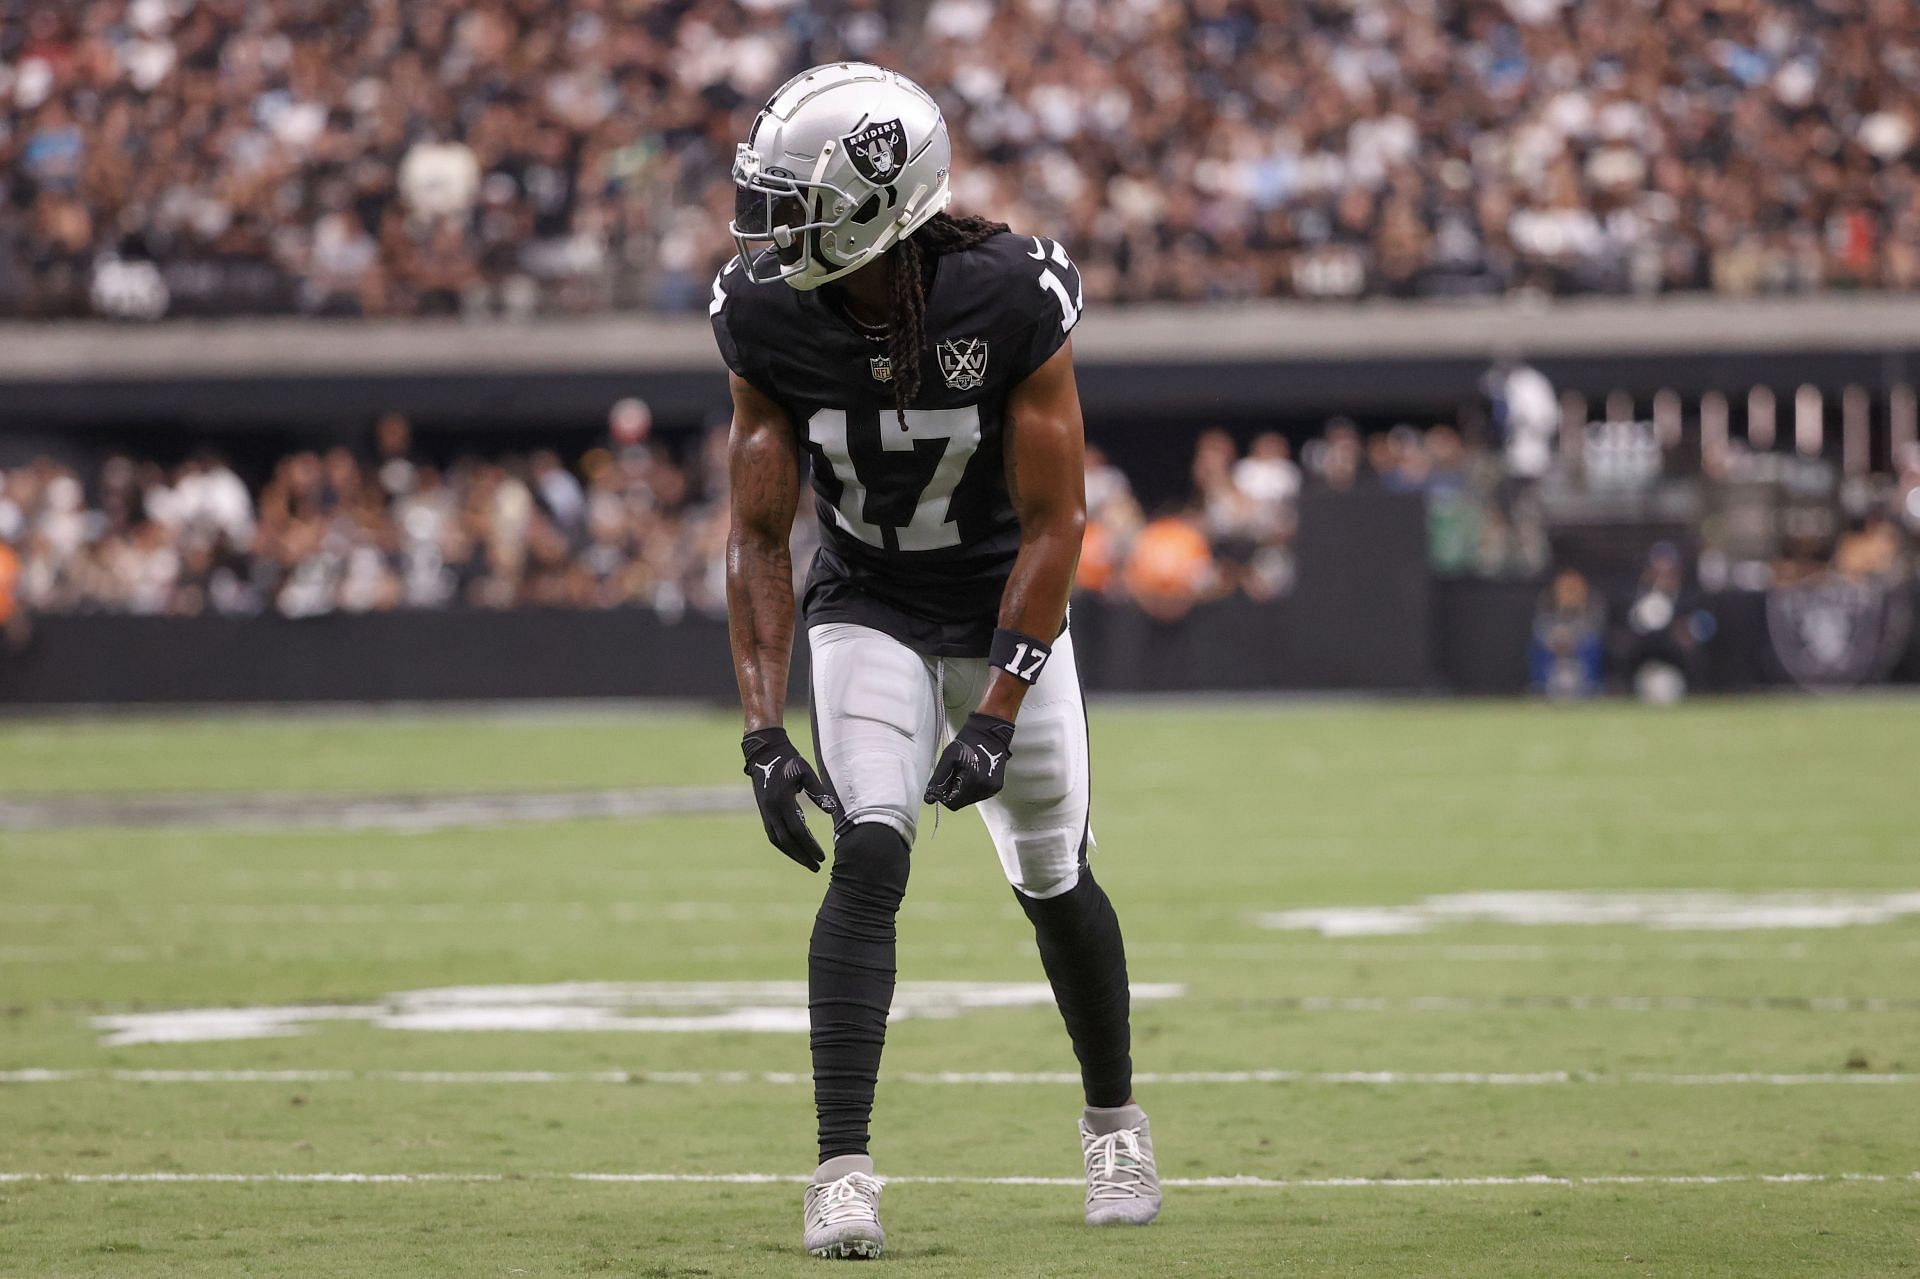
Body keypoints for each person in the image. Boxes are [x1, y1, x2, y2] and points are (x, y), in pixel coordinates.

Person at [711, 63, 1158, 1260]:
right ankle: (842, 1168)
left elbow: (1061, 522)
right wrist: (762, 731)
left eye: (793, 198)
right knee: (869, 848)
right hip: (869, 600)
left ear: (877, 200)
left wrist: (1000, 706)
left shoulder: (1009, 296)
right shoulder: (763, 313)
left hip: (1007, 601)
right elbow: (758, 532)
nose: (765, 229)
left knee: (1052, 876)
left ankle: (1114, 1116)